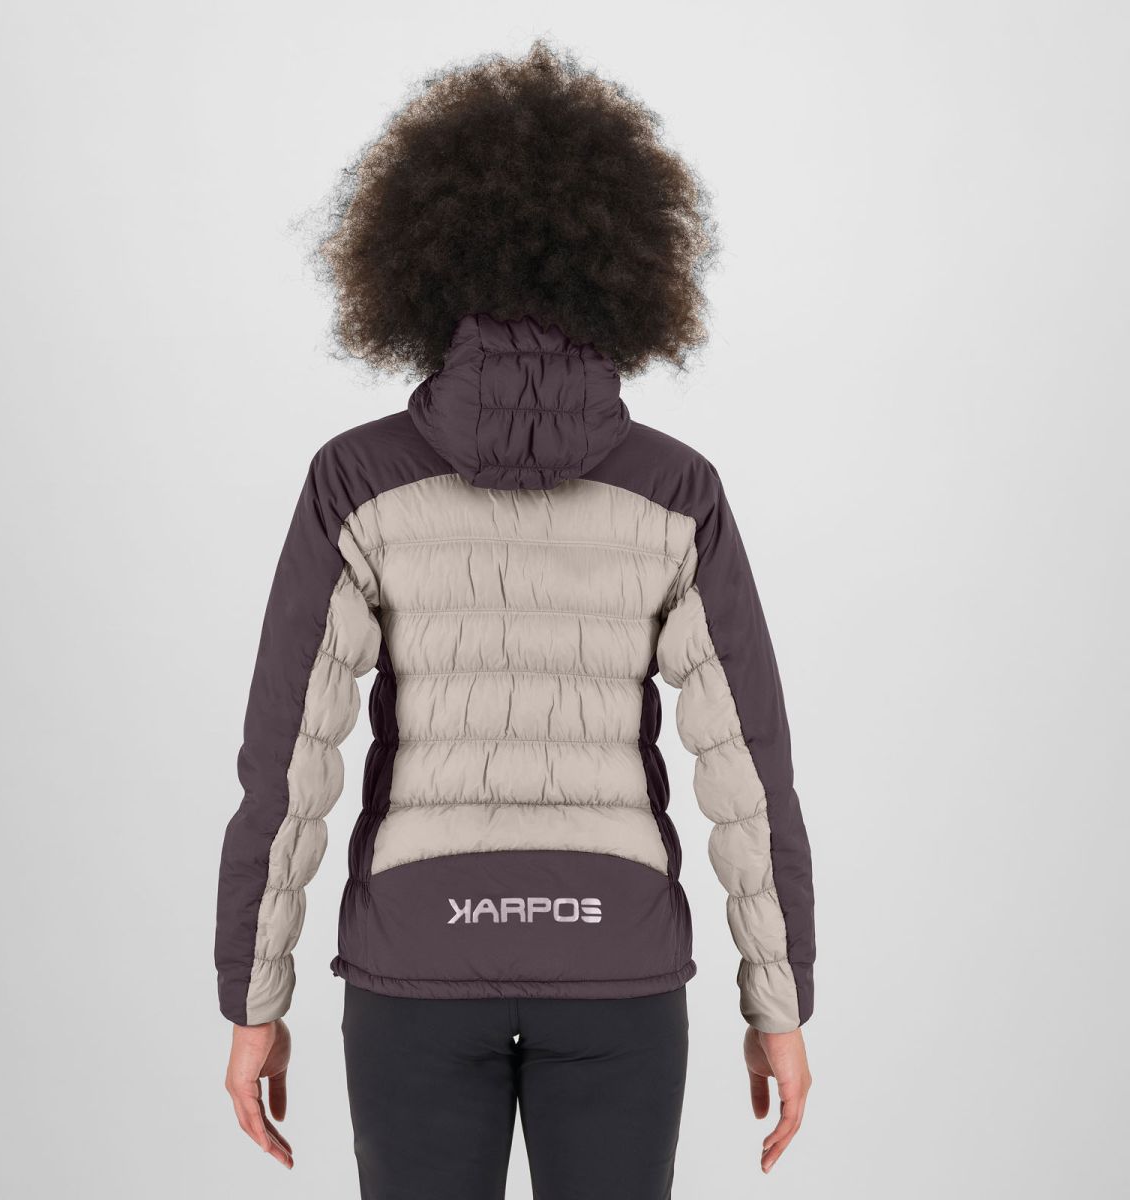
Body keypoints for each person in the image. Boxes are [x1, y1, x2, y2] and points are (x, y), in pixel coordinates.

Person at [214, 38, 815, 1198]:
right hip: (620, 962)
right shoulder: (676, 490)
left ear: (413, 266)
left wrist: (254, 999)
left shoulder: (357, 481)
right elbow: (749, 771)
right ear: (630, 269)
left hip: (414, 966)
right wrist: (777, 1007)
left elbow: (287, 766)